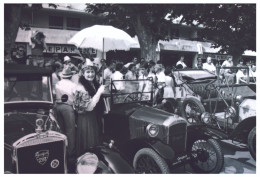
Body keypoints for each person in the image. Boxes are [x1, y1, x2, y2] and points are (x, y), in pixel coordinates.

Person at [73, 61, 105, 155]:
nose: (90, 74)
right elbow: (89, 107)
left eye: (92, 72)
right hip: (86, 118)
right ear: (83, 73)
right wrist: (99, 92)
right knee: (89, 143)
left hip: (93, 117)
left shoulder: (93, 84)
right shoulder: (80, 88)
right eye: (88, 72)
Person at [55, 67, 77, 168]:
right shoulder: (73, 85)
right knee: (70, 130)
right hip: (67, 107)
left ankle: (61, 151)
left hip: (57, 106)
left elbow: (54, 93)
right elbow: (76, 98)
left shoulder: (58, 83)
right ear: (71, 76)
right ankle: (70, 154)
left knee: (61, 130)